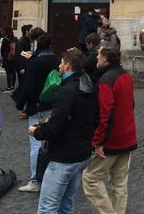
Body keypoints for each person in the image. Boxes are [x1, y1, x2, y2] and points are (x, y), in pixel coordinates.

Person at [31, 49, 97, 214]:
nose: (59, 65)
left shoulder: (67, 90)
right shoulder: (88, 85)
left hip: (64, 156)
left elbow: (55, 127)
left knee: (48, 207)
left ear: (67, 66)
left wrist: (36, 132)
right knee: (66, 206)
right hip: (81, 152)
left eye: (61, 62)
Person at [83, 46, 137, 214]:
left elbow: (105, 115)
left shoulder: (106, 81)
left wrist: (98, 142)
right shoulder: (126, 75)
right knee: (119, 183)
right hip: (128, 136)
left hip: (112, 140)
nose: (97, 58)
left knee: (90, 179)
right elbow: (131, 104)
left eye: (98, 55)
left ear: (105, 58)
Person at [18, 33, 60, 192]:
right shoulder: (56, 60)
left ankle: (35, 180)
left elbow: (28, 87)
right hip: (53, 105)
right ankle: (51, 176)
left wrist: (21, 104)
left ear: (37, 44)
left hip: (36, 106)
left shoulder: (34, 62)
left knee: (35, 143)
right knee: (50, 142)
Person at [1, 27, 18, 92]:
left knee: (8, 73)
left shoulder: (5, 39)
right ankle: (13, 86)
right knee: (13, 72)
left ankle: (8, 86)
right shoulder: (15, 38)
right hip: (14, 58)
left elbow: (2, 50)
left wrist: (4, 56)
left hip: (7, 58)